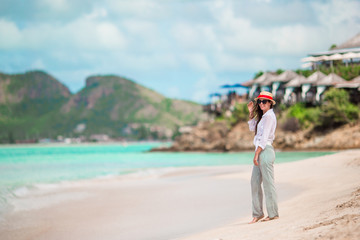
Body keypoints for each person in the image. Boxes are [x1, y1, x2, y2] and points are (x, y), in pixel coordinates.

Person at [247, 91, 279, 224]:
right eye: (259, 101)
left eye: (264, 101)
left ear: (270, 103)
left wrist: (256, 154)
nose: (261, 104)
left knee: (268, 183)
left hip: (265, 151)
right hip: (260, 151)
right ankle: (258, 213)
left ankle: (273, 213)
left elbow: (265, 137)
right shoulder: (263, 116)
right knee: (254, 183)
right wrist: (251, 113)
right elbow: (252, 128)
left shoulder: (270, 116)